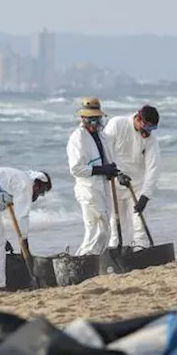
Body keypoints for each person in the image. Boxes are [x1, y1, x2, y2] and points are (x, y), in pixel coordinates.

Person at [67, 97, 120, 255]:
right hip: (88, 189)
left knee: (104, 229)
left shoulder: (101, 136)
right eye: (91, 119)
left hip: (102, 187)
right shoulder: (78, 138)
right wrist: (102, 170)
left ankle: (94, 260)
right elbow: (76, 169)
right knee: (97, 230)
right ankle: (83, 259)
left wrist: (114, 171)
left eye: (97, 119)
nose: (95, 123)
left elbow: (108, 159)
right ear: (82, 118)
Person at [103, 105, 162, 250]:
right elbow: (105, 151)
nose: (148, 132)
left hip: (136, 185)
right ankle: (116, 249)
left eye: (152, 129)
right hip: (114, 183)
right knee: (115, 223)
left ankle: (141, 248)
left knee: (139, 222)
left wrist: (146, 195)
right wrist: (116, 173)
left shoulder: (150, 140)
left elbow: (153, 167)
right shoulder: (117, 124)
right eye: (147, 127)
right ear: (138, 118)